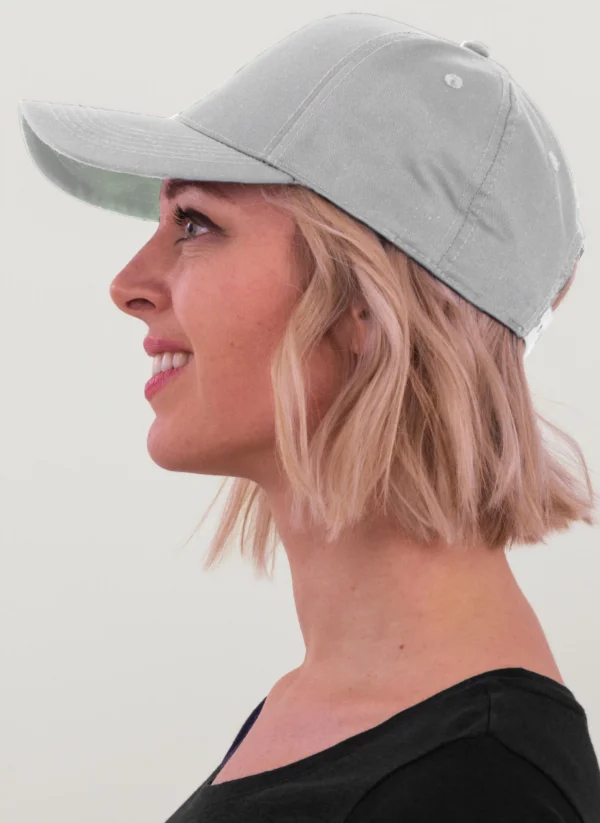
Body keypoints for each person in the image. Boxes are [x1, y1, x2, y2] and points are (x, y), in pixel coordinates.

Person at [19, 12, 600, 822]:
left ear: (364, 306)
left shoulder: (479, 790)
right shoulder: (340, 714)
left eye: (195, 224)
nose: (128, 284)